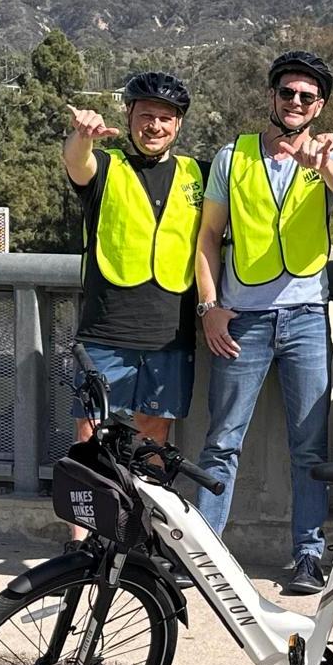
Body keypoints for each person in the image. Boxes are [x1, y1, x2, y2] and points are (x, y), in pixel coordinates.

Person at [194, 51, 333, 594]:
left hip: (308, 315)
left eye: (306, 97)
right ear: (271, 97)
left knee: (309, 446)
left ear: (321, 106)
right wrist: (209, 306)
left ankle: (309, 557)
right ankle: (206, 554)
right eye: (287, 93)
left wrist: (321, 161)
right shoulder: (231, 156)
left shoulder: (328, 153)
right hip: (242, 316)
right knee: (222, 440)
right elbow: (207, 239)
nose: (295, 103)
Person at [63, 72, 205, 539]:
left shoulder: (196, 175)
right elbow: (76, 165)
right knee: (91, 434)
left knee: (154, 437)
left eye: (166, 118)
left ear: (179, 125)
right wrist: (81, 137)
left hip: (170, 330)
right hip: (106, 327)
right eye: (146, 116)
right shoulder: (106, 167)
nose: (156, 125)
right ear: (130, 117)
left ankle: (141, 534)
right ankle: (82, 541)